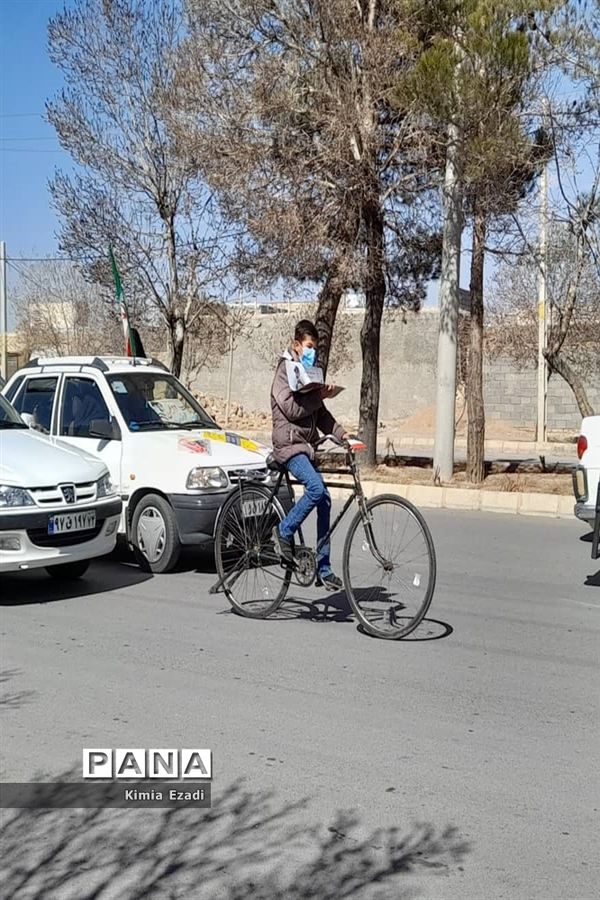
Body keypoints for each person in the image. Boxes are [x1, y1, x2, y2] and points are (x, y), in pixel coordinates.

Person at [270, 319, 348, 591]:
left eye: (315, 347)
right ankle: (283, 531)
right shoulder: (285, 371)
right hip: (288, 446)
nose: (312, 351)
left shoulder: (310, 372)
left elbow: (321, 415)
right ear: (297, 345)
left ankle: (323, 568)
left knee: (325, 499)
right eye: (309, 346)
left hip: (306, 447)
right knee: (315, 489)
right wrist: (319, 397)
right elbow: (291, 409)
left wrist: (343, 435)